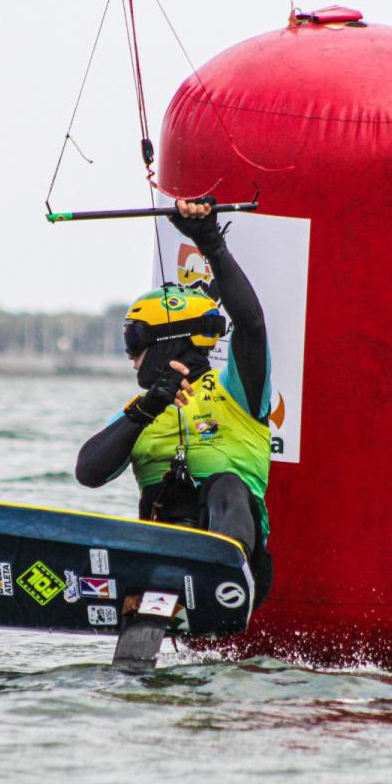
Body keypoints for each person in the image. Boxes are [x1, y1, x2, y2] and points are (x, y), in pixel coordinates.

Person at [75, 197, 273, 607]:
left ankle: (217, 569)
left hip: (235, 578)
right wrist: (148, 408)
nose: (130, 356)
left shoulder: (236, 391)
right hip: (160, 570)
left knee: (226, 485)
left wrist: (211, 243)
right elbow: (88, 473)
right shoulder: (138, 410)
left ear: (169, 341)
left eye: (134, 340)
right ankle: (153, 592)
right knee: (162, 494)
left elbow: (251, 326)